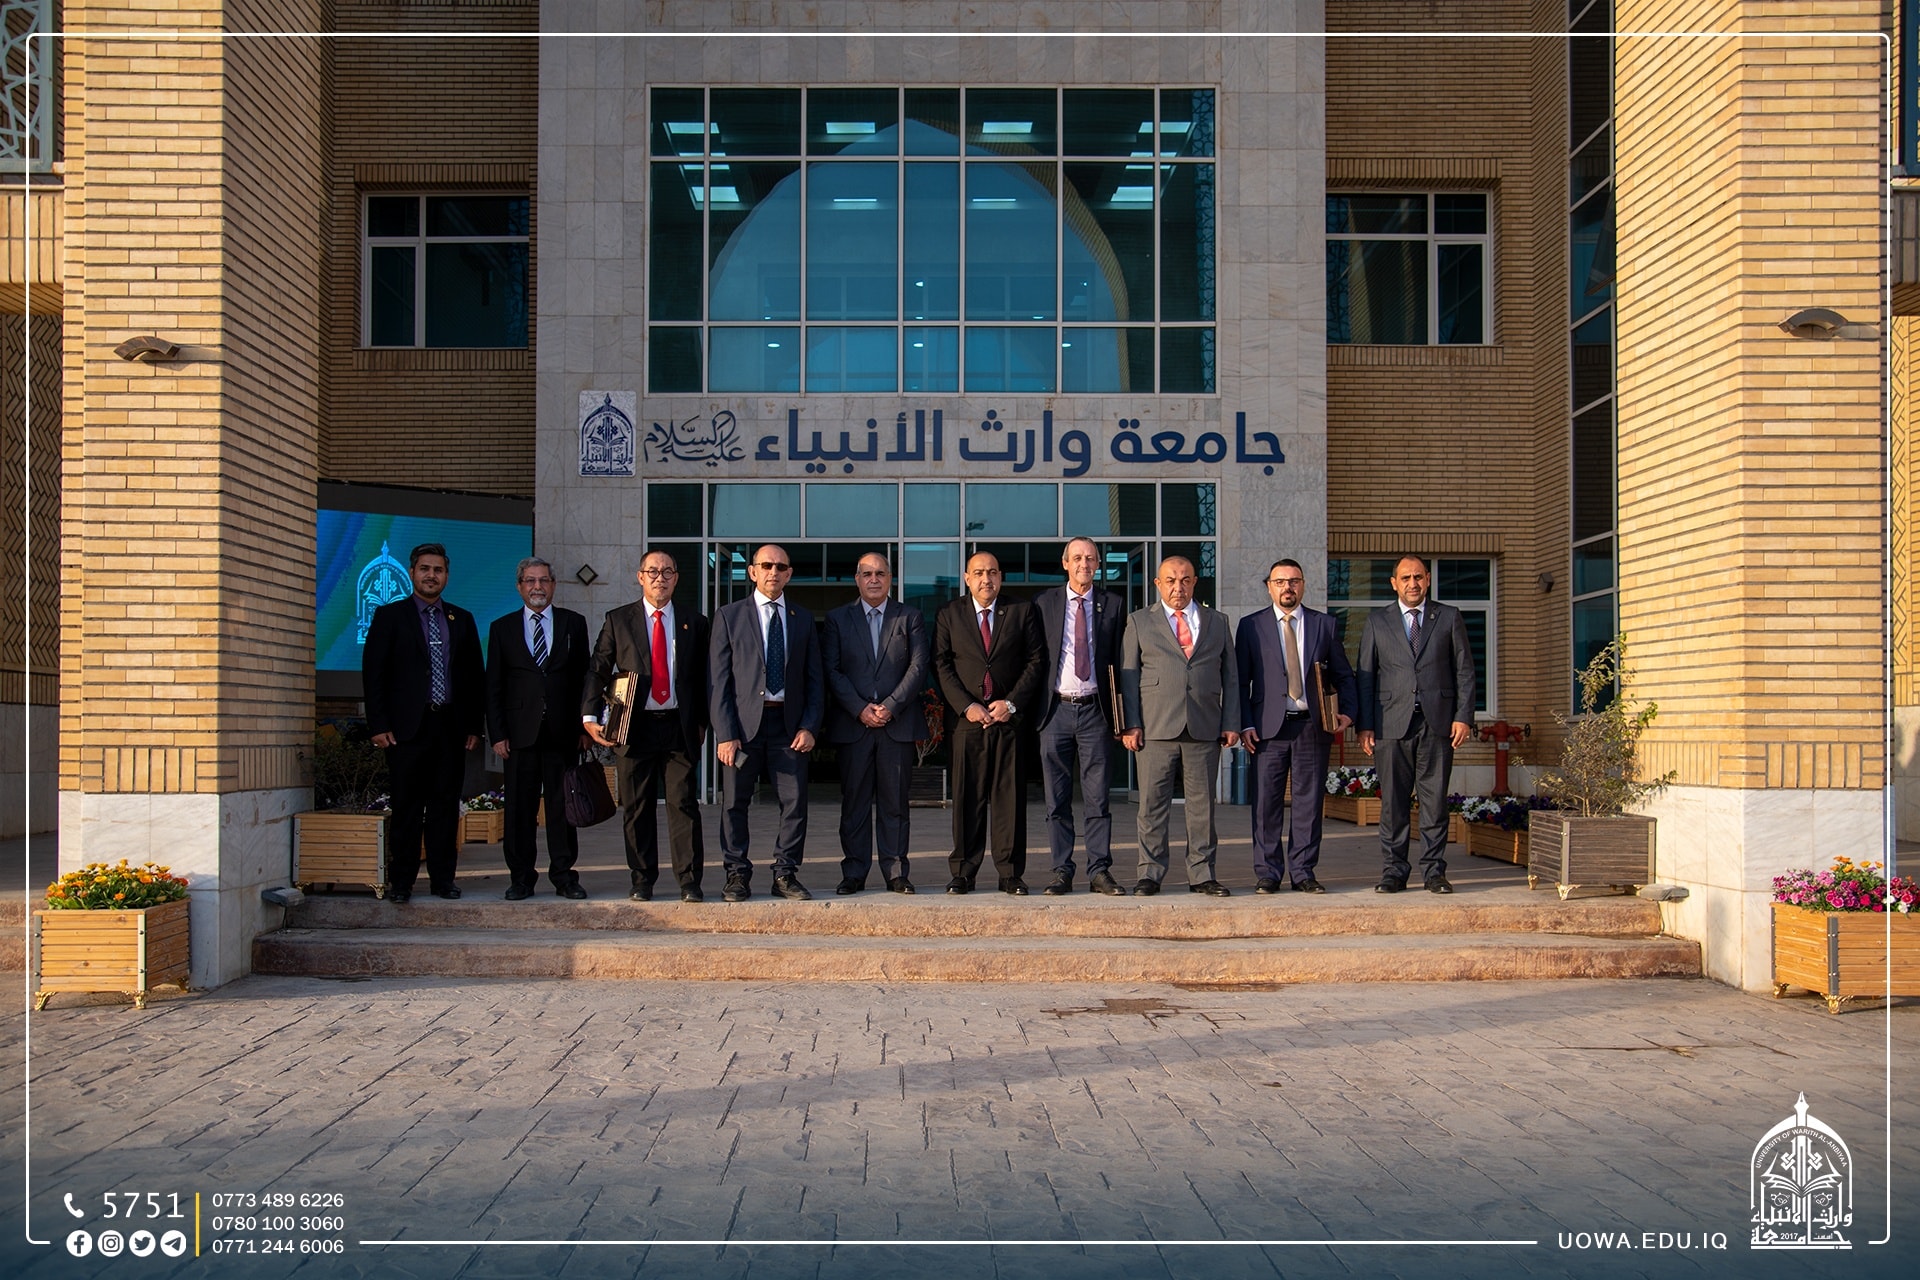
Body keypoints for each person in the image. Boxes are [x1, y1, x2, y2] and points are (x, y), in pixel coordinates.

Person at [584, 550, 711, 902]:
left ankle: (689, 881)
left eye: (668, 571)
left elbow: (705, 677)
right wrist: (590, 716)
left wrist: (702, 722)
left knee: (683, 804)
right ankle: (642, 880)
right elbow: (598, 668)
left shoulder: (695, 622)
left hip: (678, 726)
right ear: (640, 577)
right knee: (637, 806)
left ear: (676, 578)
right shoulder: (618, 620)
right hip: (633, 726)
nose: (660, 578)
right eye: (652, 571)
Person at [362, 542, 485, 903]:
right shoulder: (390, 616)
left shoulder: (461, 619)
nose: (432, 576)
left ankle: (443, 880)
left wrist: (473, 725)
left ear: (447, 575)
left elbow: (473, 677)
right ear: (412, 573)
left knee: (445, 807)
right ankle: (402, 883)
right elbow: (374, 673)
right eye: (425, 569)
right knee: (407, 807)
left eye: (438, 570)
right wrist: (378, 724)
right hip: (405, 731)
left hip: (450, 727)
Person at [1355, 554, 1477, 894]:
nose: (1413, 583)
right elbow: (1365, 676)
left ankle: (1434, 872)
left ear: (1428, 580)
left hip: (1437, 724)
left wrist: (1463, 716)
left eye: (1419, 577)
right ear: (1394, 583)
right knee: (1393, 804)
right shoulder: (1377, 621)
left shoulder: (1448, 617)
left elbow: (1465, 671)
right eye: (1406, 578)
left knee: (1434, 803)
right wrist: (1365, 725)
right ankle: (1394, 872)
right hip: (1390, 724)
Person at [1119, 556, 1241, 896]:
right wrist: (1131, 724)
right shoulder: (1139, 621)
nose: (1178, 587)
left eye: (1185, 580)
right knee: (1152, 806)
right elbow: (1129, 676)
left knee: (1202, 807)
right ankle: (1149, 874)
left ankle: (1202, 874)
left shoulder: (1217, 621)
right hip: (1155, 727)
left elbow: (1231, 676)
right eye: (1171, 580)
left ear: (1194, 582)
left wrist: (1231, 721)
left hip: (1205, 725)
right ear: (1158, 584)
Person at [1235, 558, 1357, 894]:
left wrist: (1348, 713)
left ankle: (1303, 872)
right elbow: (1239, 681)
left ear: (1302, 585)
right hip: (1267, 731)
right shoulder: (1251, 626)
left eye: (1294, 581)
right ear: (1269, 587)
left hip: (1312, 728)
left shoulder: (1324, 625)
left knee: (1309, 804)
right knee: (1265, 805)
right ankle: (1268, 873)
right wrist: (1244, 723)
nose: (1287, 587)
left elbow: (1343, 674)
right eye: (1280, 582)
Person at [710, 544, 822, 902]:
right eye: (766, 565)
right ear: (753, 572)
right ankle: (736, 874)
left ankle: (785, 873)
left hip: (788, 727)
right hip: (742, 730)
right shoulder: (729, 616)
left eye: (781, 567)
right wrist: (725, 733)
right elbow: (719, 682)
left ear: (789, 574)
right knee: (734, 803)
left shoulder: (802, 618)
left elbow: (815, 679)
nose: (774, 572)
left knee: (795, 803)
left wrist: (809, 726)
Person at [932, 552, 1046, 895]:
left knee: (1009, 800)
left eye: (993, 572)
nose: (986, 579)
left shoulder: (1021, 611)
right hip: (967, 723)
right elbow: (941, 664)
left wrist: (1010, 703)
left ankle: (1010, 873)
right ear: (967, 578)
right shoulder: (949, 614)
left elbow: (1036, 660)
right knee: (967, 800)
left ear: (1001, 577)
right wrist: (966, 706)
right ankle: (963, 872)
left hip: (1008, 720)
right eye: (979, 573)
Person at [822, 552, 930, 895]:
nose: (873, 579)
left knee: (894, 804)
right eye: (867, 573)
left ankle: (896, 872)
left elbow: (918, 667)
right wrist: (859, 709)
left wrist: (890, 706)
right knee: (854, 804)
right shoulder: (837, 619)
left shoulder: (909, 617)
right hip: (854, 727)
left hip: (896, 727)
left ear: (890, 579)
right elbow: (832, 670)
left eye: (880, 573)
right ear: (857, 579)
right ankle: (854, 872)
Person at [486, 557, 592, 900]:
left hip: (563, 734)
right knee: (519, 810)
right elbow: (493, 686)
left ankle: (564, 877)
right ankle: (520, 878)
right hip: (519, 735)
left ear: (553, 585)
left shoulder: (573, 623)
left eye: (544, 580)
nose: (537, 587)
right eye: (530, 581)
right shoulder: (502, 628)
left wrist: (585, 727)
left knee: (563, 808)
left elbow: (584, 678)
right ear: (520, 587)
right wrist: (497, 734)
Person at [1031, 537, 1127, 896]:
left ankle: (1099, 870)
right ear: (1065, 563)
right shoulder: (1044, 603)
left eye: (1090, 558)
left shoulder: (1114, 604)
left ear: (1098, 564)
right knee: (1056, 800)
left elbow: (1121, 663)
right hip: (1055, 711)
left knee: (1097, 799)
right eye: (1077, 558)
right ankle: (1062, 870)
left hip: (1095, 712)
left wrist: (1121, 718)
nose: (1083, 564)